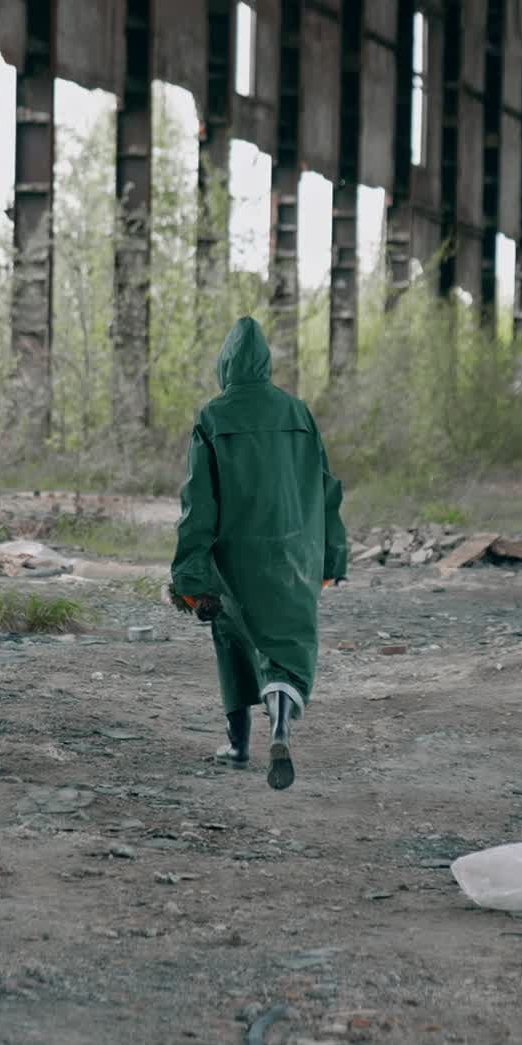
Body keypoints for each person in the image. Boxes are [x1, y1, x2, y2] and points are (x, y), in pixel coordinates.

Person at [170, 316, 347, 790]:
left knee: (231, 636)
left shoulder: (213, 417)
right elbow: (326, 489)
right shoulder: (299, 414)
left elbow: (198, 507)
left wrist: (190, 577)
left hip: (236, 555)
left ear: (225, 365)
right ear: (266, 364)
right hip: (296, 553)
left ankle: (237, 744)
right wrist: (333, 557)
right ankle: (282, 726)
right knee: (286, 647)